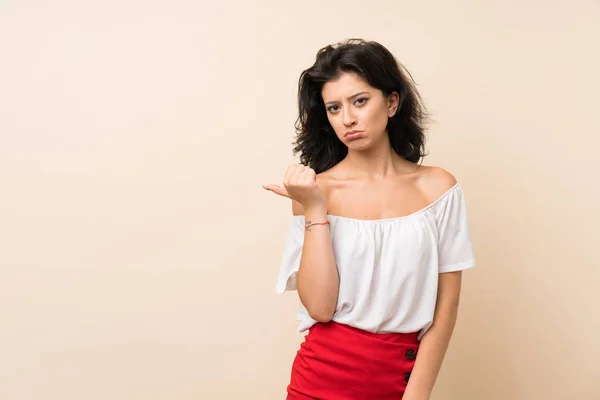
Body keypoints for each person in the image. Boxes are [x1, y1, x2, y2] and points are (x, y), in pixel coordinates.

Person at [263, 38, 476, 400]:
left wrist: (417, 393)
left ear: (391, 102)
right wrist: (315, 208)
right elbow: (320, 307)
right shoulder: (316, 193)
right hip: (319, 379)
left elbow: (446, 307)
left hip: (400, 377)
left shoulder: (438, 189)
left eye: (359, 101)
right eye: (333, 108)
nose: (347, 119)